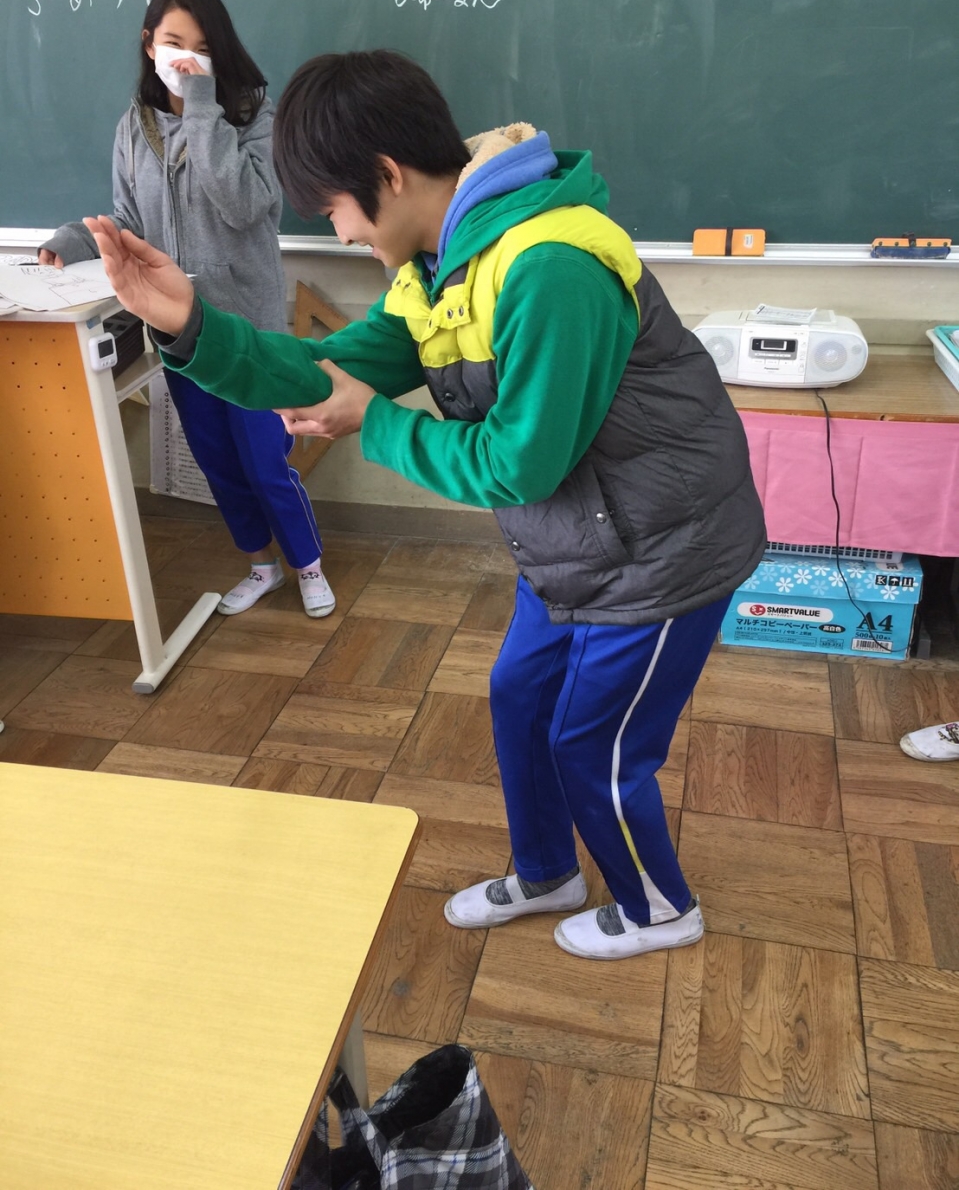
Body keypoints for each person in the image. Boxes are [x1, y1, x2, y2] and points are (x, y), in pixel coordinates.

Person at [85, 49, 767, 960]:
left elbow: (518, 464)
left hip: (662, 552)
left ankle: (660, 908)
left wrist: (374, 424)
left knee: (592, 747)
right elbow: (327, 371)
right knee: (519, 698)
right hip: (575, 544)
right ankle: (548, 872)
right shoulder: (444, 265)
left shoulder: (548, 265)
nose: (338, 235)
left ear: (388, 175)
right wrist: (188, 322)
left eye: (334, 209)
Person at [39, 0, 334, 620]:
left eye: (202, 49)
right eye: (174, 44)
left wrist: (202, 106)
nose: (186, 59)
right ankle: (262, 567)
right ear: (149, 44)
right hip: (180, 331)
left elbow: (246, 203)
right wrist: (73, 239)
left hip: (250, 328)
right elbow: (129, 220)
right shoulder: (134, 128)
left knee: (264, 459)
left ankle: (308, 565)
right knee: (218, 461)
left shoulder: (256, 120)